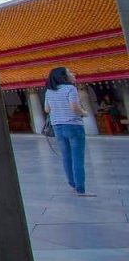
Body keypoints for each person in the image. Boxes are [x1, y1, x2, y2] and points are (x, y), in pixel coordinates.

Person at [43, 66, 94, 197]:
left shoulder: (49, 91)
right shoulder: (70, 89)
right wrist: (85, 113)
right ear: (63, 77)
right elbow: (74, 108)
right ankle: (81, 189)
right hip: (73, 125)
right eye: (69, 72)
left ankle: (72, 183)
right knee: (78, 158)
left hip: (57, 126)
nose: (72, 73)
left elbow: (47, 109)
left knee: (66, 157)